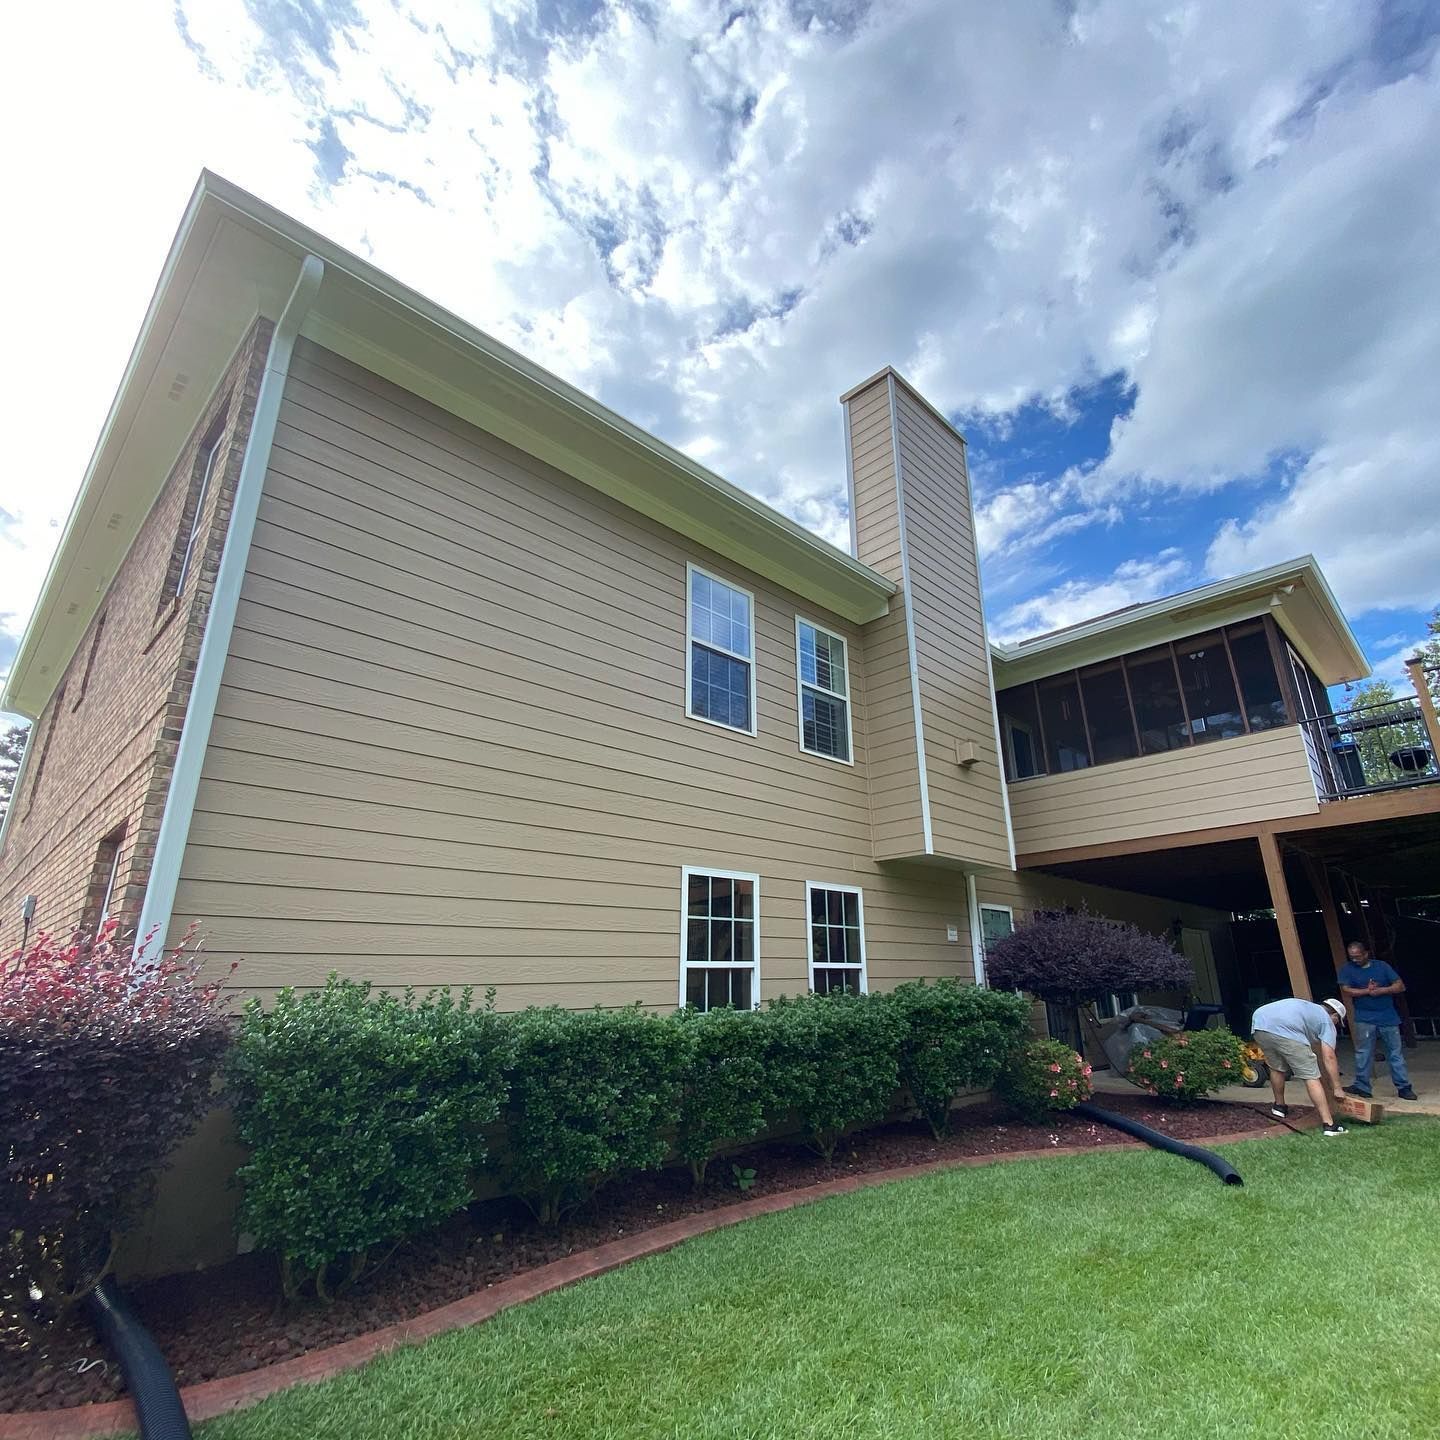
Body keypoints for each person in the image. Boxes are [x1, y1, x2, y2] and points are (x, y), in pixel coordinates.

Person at [1250, 995, 1349, 1135]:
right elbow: (1329, 1056)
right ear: (1334, 1016)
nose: (1336, 1025)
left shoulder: (1309, 1008)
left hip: (1260, 1023)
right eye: (1337, 1022)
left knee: (1276, 1068)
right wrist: (1337, 1088)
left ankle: (1279, 1107)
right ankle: (1329, 1125)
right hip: (1285, 1030)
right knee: (1311, 1076)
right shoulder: (1327, 1021)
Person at [1338, 941, 1418, 1101]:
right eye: (1352, 957)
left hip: (1388, 1016)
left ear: (1366, 953)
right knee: (1363, 1053)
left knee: (1395, 1053)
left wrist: (1381, 990)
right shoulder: (1347, 969)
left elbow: (1400, 986)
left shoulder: (1382, 966)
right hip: (1364, 1017)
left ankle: (1403, 1087)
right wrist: (1367, 991)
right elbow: (1346, 990)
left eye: (1358, 957)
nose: (1355, 960)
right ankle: (1362, 1086)